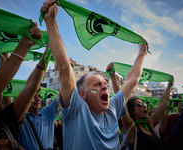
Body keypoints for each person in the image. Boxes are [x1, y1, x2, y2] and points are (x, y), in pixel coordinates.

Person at [41, 1, 148, 149]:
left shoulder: (112, 108)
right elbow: (64, 68)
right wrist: (50, 20)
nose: (104, 86)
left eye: (104, 83)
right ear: (83, 94)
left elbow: (132, 79)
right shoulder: (77, 110)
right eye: (97, 85)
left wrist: (142, 54)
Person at [0, 22, 43, 149]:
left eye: (1, 91)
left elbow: (31, 86)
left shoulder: (6, 119)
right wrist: (25, 44)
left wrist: (47, 54)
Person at [120, 80, 173, 150]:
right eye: (140, 105)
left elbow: (163, 103)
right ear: (132, 111)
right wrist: (113, 76)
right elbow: (120, 99)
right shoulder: (131, 128)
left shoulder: (148, 124)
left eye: (144, 104)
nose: (145, 106)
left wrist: (169, 85)